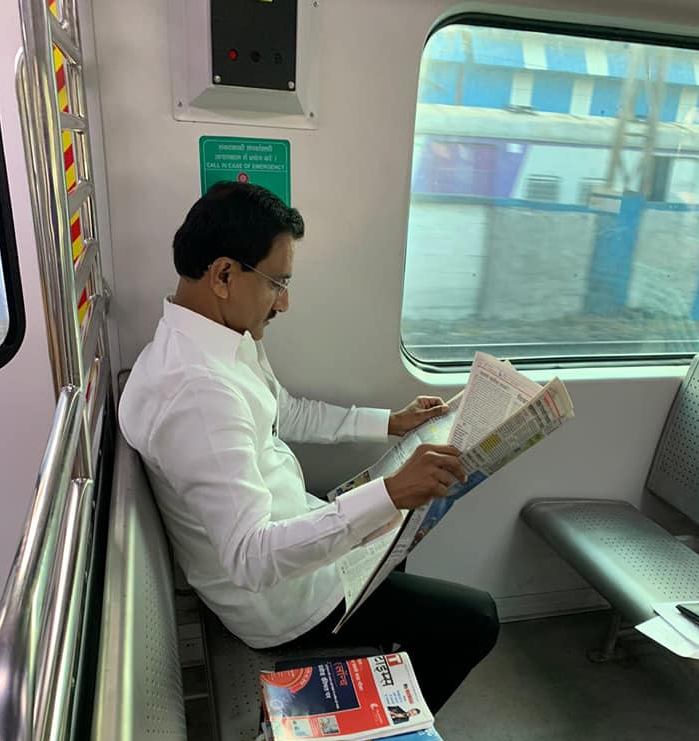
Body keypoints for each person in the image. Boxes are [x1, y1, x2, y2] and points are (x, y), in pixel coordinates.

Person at [119, 182, 498, 713]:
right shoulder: (198, 393)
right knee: (477, 619)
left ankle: (379, 671)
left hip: (290, 535)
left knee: (394, 545)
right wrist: (388, 494)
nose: (286, 303)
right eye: (277, 283)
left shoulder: (215, 343)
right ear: (224, 275)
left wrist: (391, 422)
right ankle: (381, 731)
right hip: (282, 605)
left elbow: (285, 410)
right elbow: (252, 558)